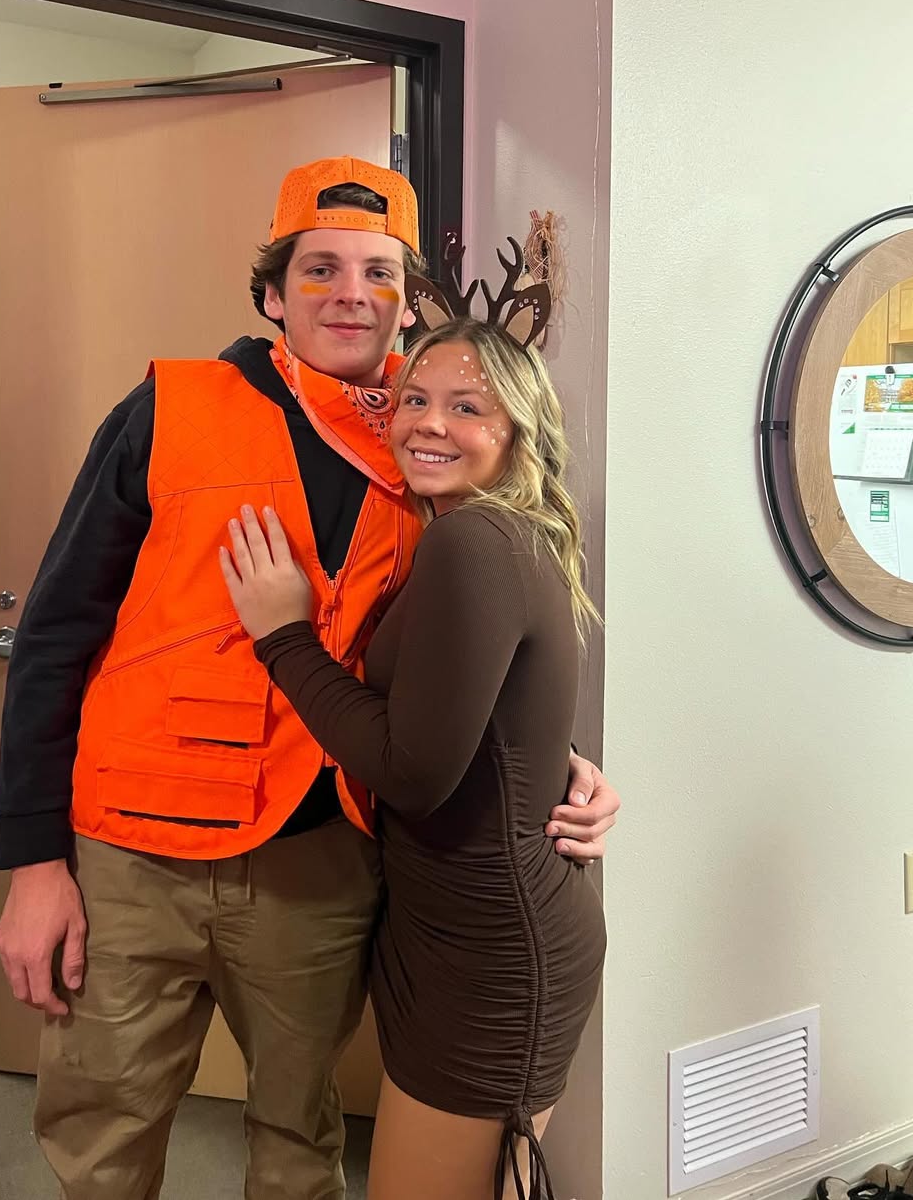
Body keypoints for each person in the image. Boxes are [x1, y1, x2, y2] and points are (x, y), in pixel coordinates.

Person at [0, 156, 619, 1200]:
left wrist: (559, 763)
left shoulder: (427, 448)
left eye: (379, 274)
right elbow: (55, 632)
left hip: (318, 866)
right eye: (319, 268)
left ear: (407, 304)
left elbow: (463, 657)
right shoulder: (169, 409)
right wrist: (32, 861)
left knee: (300, 1145)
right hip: (134, 859)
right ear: (273, 295)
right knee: (101, 1143)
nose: (350, 294)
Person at [219, 309, 606, 1200]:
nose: (430, 423)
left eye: (467, 406)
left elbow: (412, 772)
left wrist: (283, 638)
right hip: (463, 932)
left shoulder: (475, 542)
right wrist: (570, 760)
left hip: (489, 952)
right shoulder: (492, 534)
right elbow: (493, 718)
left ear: (518, 431)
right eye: (415, 399)